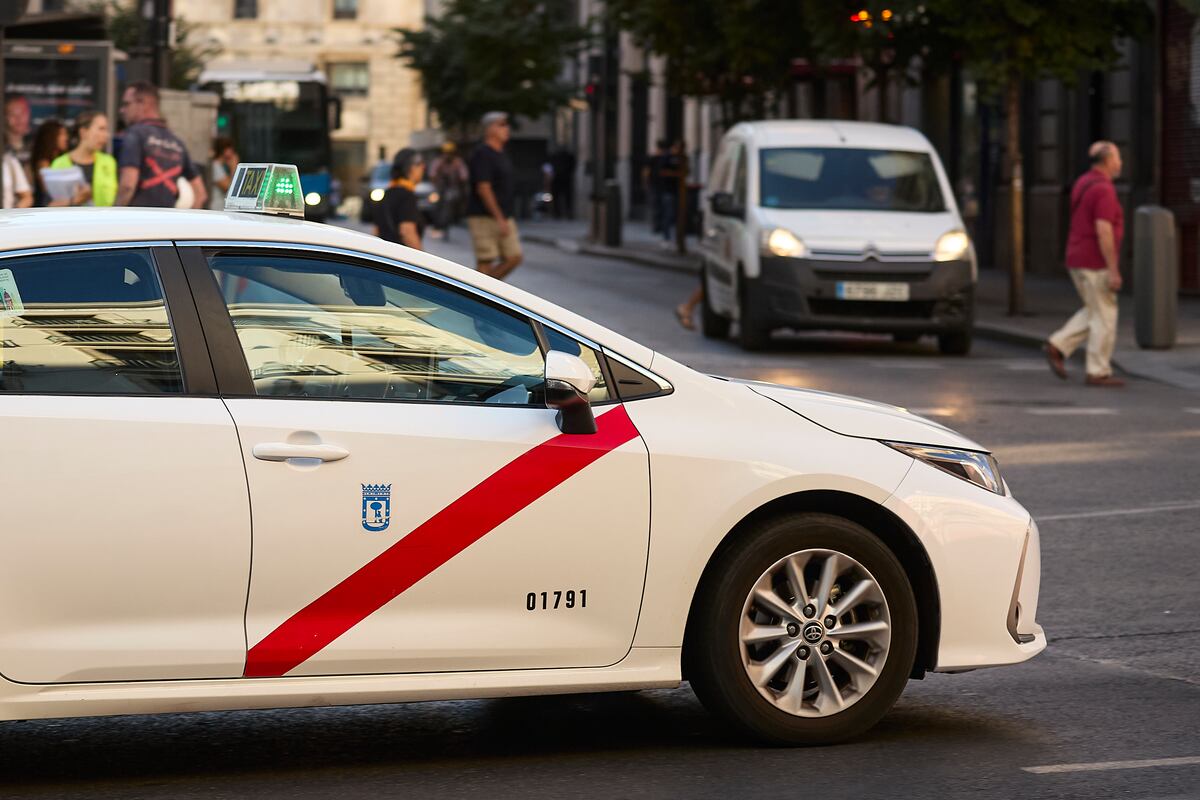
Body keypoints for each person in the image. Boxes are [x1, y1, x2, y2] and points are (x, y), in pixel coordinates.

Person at [1044, 141, 1126, 388]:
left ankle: (1057, 345)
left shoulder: (1083, 182)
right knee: (1104, 315)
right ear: (1108, 161)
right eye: (1118, 158)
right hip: (1094, 261)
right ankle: (1098, 371)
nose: (1120, 163)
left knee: (1093, 310)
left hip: (1077, 256)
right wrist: (1112, 268)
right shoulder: (1103, 190)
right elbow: (1104, 230)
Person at [115, 81, 206, 208]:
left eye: (127, 104)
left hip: (136, 222)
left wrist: (115, 213)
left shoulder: (135, 134)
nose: (122, 110)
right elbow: (200, 194)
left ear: (143, 104)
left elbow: (127, 185)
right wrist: (187, 225)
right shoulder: (176, 142)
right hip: (166, 223)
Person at [466, 111, 522, 280]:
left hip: (504, 215)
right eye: (502, 124)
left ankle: (485, 292)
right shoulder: (483, 154)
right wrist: (498, 217)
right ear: (489, 129)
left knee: (514, 256)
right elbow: (484, 188)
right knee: (485, 260)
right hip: (484, 216)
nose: (507, 128)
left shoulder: (502, 154)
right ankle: (481, 296)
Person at [50, 110, 116, 206]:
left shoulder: (109, 162)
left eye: (106, 130)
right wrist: (74, 201)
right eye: (101, 129)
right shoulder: (59, 163)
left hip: (103, 219)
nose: (106, 135)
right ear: (83, 132)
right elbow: (52, 205)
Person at [373, 148, 425, 250]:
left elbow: (376, 231)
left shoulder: (387, 193)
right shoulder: (407, 195)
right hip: (400, 260)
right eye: (420, 164)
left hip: (386, 256)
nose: (423, 168)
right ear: (411, 168)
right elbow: (407, 232)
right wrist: (425, 261)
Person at [429, 140, 467, 238]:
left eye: (450, 153)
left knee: (455, 199)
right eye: (446, 153)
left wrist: (460, 181)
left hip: (453, 188)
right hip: (441, 188)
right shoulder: (439, 162)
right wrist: (437, 182)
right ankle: (437, 224)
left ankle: (457, 216)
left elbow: (464, 176)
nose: (448, 156)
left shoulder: (458, 162)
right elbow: (432, 174)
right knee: (436, 204)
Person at [209, 137, 238, 211]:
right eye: (231, 149)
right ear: (225, 150)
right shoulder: (215, 166)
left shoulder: (221, 166)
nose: (233, 153)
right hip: (217, 208)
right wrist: (233, 168)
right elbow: (228, 187)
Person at [549, 146, 576, 219]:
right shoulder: (567, 157)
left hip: (560, 178)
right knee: (566, 197)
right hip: (563, 178)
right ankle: (564, 213)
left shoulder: (555, 156)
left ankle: (558, 213)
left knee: (560, 197)